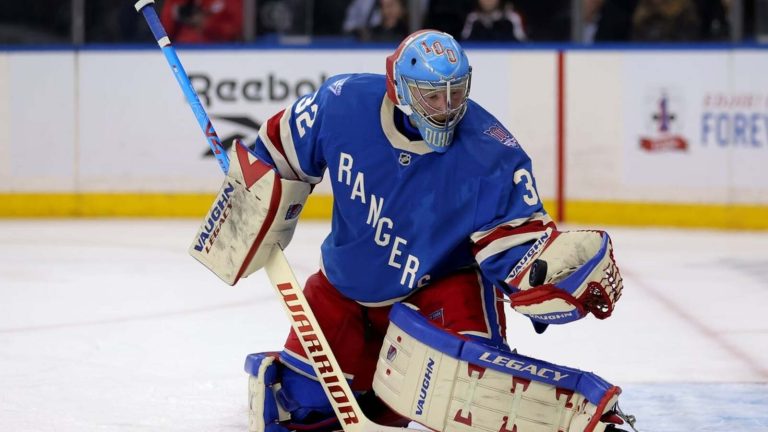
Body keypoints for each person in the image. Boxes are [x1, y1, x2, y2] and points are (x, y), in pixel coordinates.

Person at [196, 30, 628, 431]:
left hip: (439, 289)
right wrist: (253, 192)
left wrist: (545, 277)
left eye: (455, 93)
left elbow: (517, 248)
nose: (447, 108)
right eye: (431, 96)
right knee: (299, 409)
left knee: (479, 396)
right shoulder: (342, 104)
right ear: (399, 89)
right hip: (345, 287)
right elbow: (280, 149)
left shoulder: (491, 152)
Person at [160, 0, 243, 43]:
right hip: (182, 49)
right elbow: (163, 33)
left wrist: (206, 24)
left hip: (218, 49)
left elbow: (237, 29)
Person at [461, 0, 527, 41]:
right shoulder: (472, 19)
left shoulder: (512, 18)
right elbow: (464, 44)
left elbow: (523, 45)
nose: (488, 1)